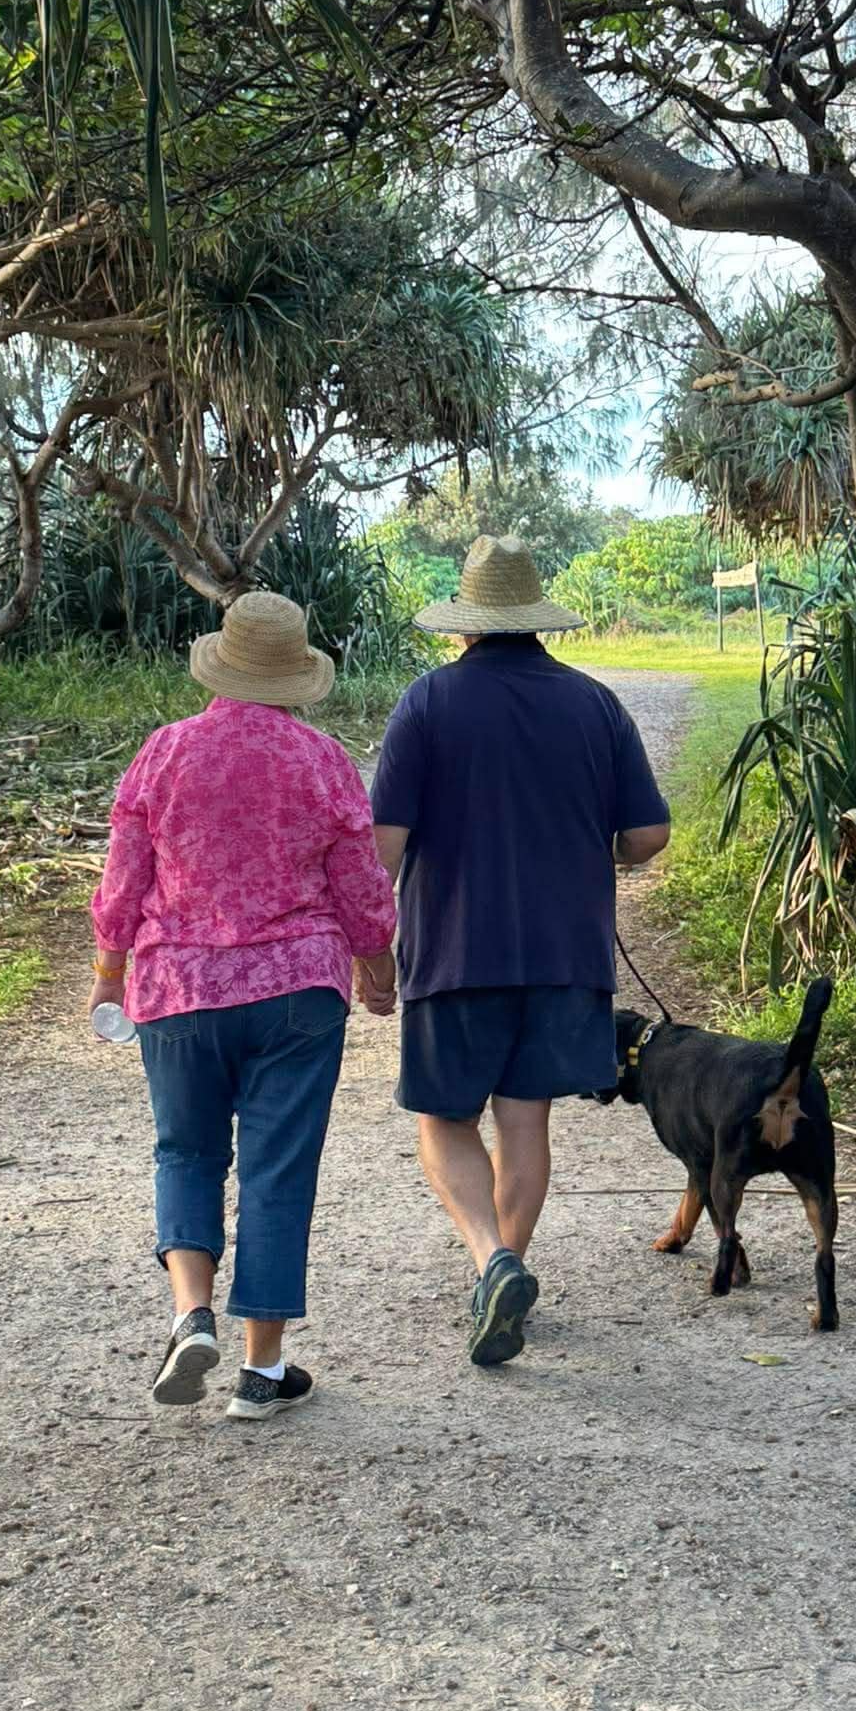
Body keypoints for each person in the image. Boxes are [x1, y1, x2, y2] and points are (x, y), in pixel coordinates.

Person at [91, 592, 397, 1421]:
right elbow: (361, 886)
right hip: (297, 990)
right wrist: (378, 969)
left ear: (220, 665)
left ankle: (190, 1314)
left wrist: (110, 971)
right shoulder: (322, 760)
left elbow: (124, 880)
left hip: (178, 988)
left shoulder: (163, 754)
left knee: (185, 1153)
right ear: (295, 675)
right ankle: (263, 1373)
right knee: (277, 1170)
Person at [367, 535, 670, 1368]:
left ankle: (490, 1261)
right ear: (538, 622)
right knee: (525, 1118)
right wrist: (592, 852)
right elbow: (647, 835)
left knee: (443, 1118)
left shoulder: (426, 703)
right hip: (566, 952)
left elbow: (383, 847)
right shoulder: (597, 704)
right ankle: (508, 1274)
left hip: (455, 950)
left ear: (465, 625)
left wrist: (367, 949)